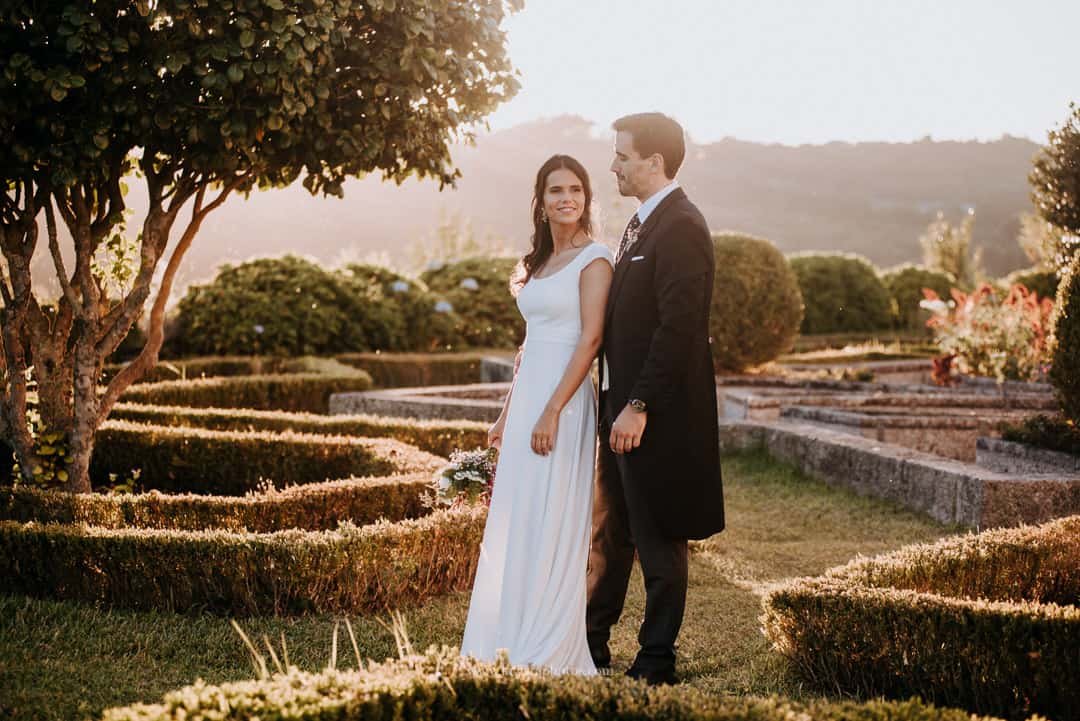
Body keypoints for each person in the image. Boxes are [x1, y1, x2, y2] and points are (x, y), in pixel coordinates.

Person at [460, 154, 615, 675]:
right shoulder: (536, 263)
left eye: (576, 189)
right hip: (529, 400)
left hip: (564, 406)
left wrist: (551, 411)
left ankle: (548, 640)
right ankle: (508, 627)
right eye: (556, 190)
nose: (567, 197)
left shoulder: (595, 259)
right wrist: (508, 414)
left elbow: (591, 339)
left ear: (586, 198)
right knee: (520, 515)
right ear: (541, 201)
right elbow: (528, 346)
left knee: (552, 518)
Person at [586, 112, 725, 686]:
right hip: (618, 407)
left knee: (659, 535)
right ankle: (591, 644)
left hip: (655, 417)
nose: (613, 165)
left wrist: (639, 406)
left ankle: (656, 658)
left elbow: (681, 329)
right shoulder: (640, 226)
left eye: (621, 155)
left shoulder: (683, 227)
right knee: (611, 532)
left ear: (654, 162)